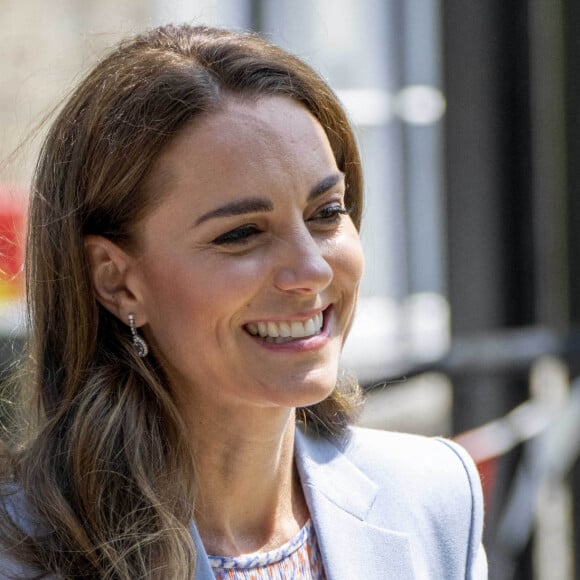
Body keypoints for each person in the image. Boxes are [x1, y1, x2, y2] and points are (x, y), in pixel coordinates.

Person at [0, 24, 487, 579]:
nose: (311, 269)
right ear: (117, 281)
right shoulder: (17, 551)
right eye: (242, 234)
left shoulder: (433, 497)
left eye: (327, 212)